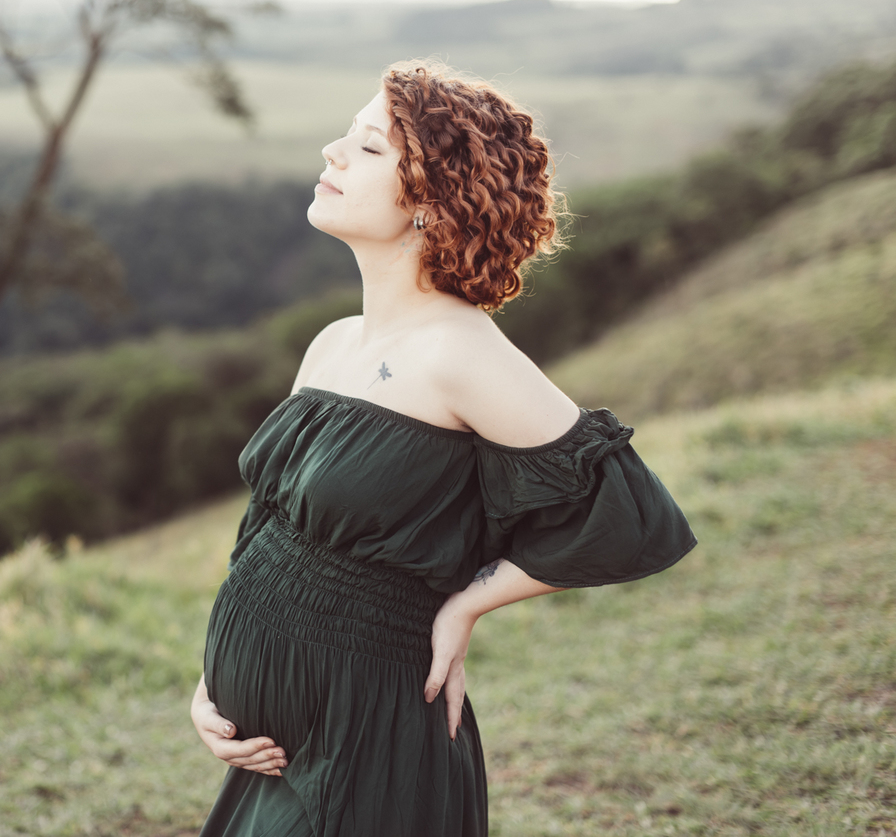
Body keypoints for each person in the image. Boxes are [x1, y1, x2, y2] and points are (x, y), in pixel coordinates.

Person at [189, 61, 697, 837]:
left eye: (367, 148)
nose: (331, 152)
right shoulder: (332, 344)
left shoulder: (462, 354)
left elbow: (631, 515)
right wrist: (213, 681)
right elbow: (266, 528)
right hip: (272, 751)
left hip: (370, 740)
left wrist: (469, 602)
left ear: (429, 200)